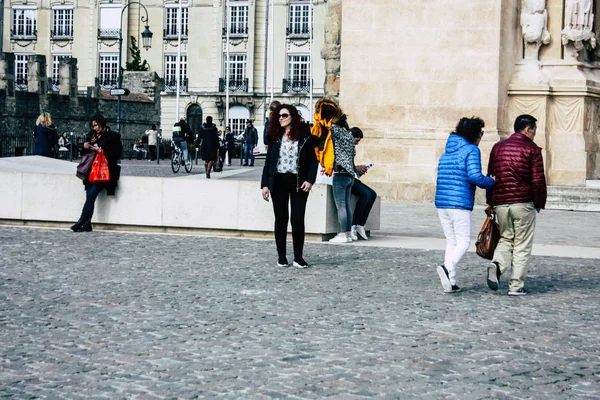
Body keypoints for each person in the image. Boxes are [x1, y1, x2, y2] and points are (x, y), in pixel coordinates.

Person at [486, 114, 546, 296]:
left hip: (502, 203)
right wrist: (539, 202)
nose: (535, 134)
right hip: (523, 202)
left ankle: (497, 265)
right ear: (528, 129)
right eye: (534, 130)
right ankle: (516, 285)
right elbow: (537, 180)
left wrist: (491, 202)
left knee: (506, 238)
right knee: (522, 244)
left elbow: (491, 177)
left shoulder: (498, 147)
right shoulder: (533, 150)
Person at [434, 117, 495, 293]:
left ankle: (450, 282)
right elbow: (474, 176)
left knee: (451, 241)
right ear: (475, 134)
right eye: (481, 133)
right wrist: (492, 182)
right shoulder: (472, 150)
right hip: (459, 202)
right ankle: (447, 267)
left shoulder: (447, 152)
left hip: (442, 202)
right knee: (463, 242)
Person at [261, 104, 317, 269]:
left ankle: (298, 257)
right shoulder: (275, 136)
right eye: (279, 116)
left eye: (284, 115)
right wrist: (264, 184)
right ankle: (281, 257)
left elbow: (313, 161)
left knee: (298, 218)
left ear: (292, 116)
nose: (281, 118)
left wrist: (310, 180)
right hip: (278, 181)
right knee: (281, 219)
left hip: (298, 182)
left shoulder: (304, 136)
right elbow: (268, 162)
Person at [313, 99, 356, 243]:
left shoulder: (335, 130)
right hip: (349, 174)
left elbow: (326, 126)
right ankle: (348, 233)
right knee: (347, 205)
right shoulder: (348, 134)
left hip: (339, 172)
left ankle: (343, 234)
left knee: (341, 205)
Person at [70, 113, 123, 233]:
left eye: (97, 125)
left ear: (102, 124)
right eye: (93, 126)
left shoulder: (113, 136)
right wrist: (85, 146)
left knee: (91, 195)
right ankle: (87, 223)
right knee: (89, 196)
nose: (95, 128)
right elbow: (84, 152)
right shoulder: (91, 136)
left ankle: (81, 220)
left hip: (103, 171)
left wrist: (102, 151)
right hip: (91, 170)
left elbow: (117, 153)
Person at [349, 127, 378, 241]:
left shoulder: (351, 148)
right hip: (342, 179)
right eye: (356, 141)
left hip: (350, 177)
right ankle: (353, 225)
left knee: (372, 194)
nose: (357, 144)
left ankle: (360, 224)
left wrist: (357, 169)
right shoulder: (345, 146)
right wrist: (355, 168)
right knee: (366, 194)